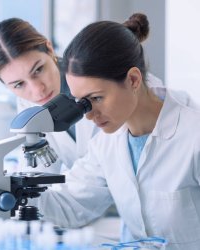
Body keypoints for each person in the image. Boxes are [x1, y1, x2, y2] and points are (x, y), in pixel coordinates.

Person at [34, 13, 200, 249]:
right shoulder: (106, 144)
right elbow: (70, 204)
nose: (89, 115)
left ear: (133, 80)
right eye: (82, 102)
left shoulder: (193, 136)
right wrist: (9, 189)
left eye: (96, 98)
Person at [0, 17, 162, 215]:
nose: (37, 90)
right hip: (82, 210)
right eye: (19, 84)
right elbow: (40, 177)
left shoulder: (119, 89)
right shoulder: (30, 104)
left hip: (137, 209)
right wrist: (0, 185)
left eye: (38, 70)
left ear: (49, 49)